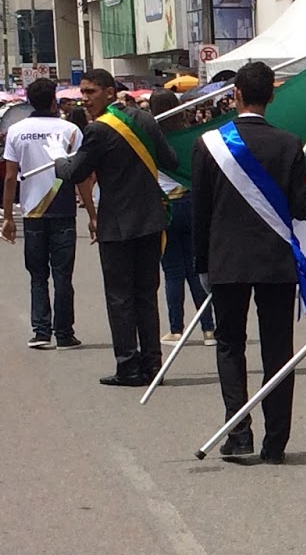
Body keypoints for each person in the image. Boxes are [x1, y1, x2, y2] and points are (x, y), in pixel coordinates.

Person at [190, 61, 306, 464]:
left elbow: (201, 212)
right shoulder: (289, 143)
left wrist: (201, 263)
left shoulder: (208, 144)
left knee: (230, 345)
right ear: (271, 97)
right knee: (279, 349)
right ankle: (276, 441)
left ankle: (238, 431)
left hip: (226, 260)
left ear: (236, 95)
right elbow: (301, 207)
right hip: (276, 260)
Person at [54, 68, 178, 386]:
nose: (84, 99)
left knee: (121, 298)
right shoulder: (146, 119)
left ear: (110, 92)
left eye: (90, 92)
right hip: (151, 218)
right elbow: (170, 160)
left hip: (118, 224)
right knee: (146, 295)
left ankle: (129, 366)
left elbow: (74, 171)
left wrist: (58, 161)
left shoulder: (98, 131)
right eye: (82, 93)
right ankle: (153, 365)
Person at [1, 77, 96, 349]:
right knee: (63, 275)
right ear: (54, 100)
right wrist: (92, 214)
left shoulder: (17, 131)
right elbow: (82, 178)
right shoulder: (71, 131)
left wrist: (8, 216)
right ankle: (65, 334)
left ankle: (41, 332)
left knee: (37, 275)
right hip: (63, 210)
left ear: (29, 101)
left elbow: (10, 178)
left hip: (31, 212)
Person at [147, 90, 215, 347]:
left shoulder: (150, 139)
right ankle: (209, 328)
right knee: (197, 268)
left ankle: (176, 329)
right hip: (192, 202)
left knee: (173, 271)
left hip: (165, 206)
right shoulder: (190, 136)